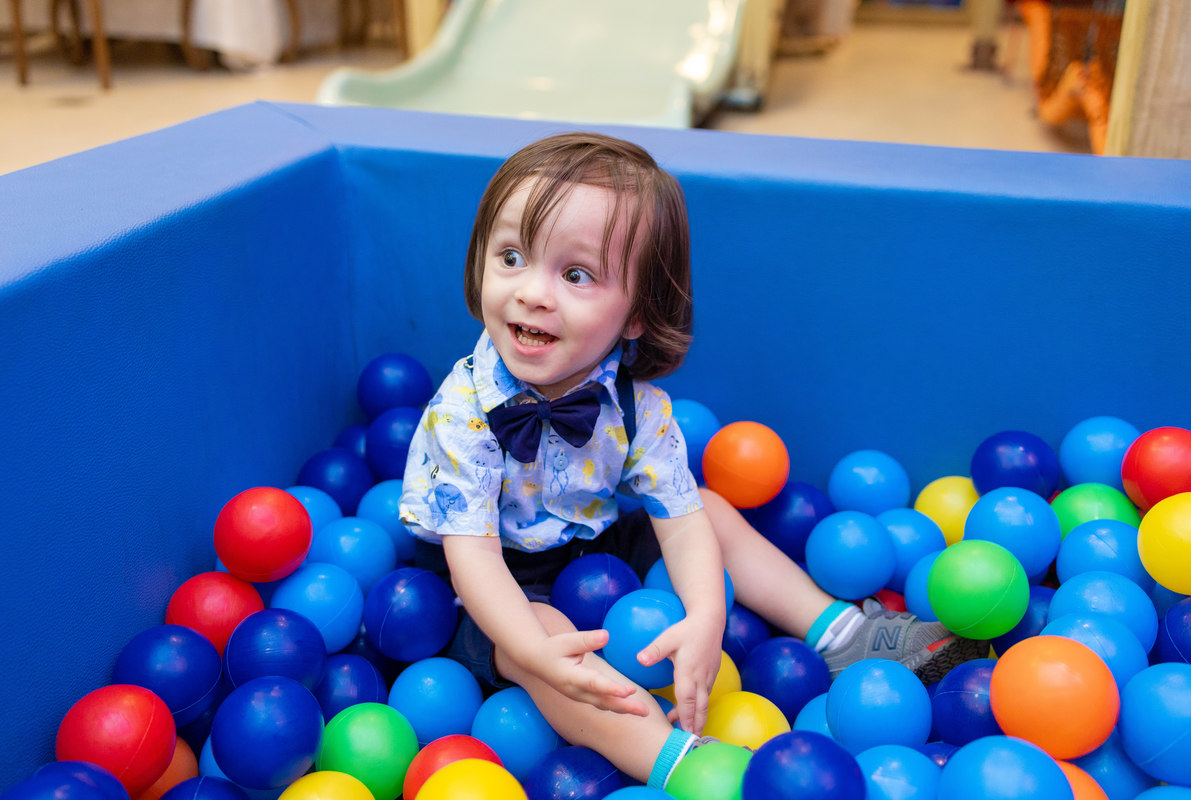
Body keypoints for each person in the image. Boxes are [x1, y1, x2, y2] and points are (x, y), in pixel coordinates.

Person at [398, 132, 987, 787]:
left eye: (576, 275)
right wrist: (535, 650)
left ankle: (841, 631)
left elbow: (678, 521)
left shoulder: (637, 406)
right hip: (478, 579)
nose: (533, 293)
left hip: (587, 546)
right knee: (543, 642)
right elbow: (473, 559)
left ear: (636, 316)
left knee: (708, 507)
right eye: (511, 257)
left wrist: (707, 619)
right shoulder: (465, 413)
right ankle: (678, 762)